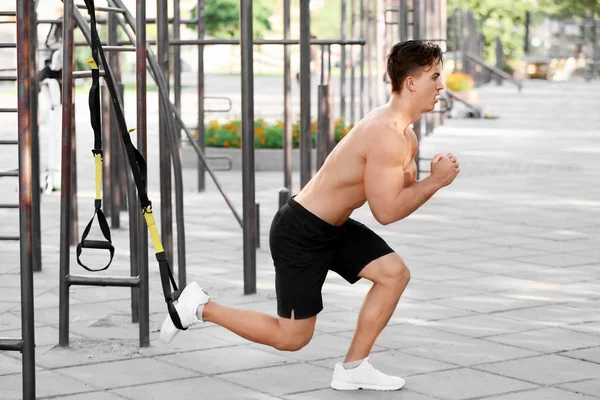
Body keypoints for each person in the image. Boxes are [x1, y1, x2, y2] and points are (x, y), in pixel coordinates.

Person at [159, 40, 459, 391]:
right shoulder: (385, 135)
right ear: (411, 82)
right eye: (435, 77)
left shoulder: (405, 136)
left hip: (333, 227)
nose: (441, 86)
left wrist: (426, 183)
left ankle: (353, 368)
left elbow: (399, 197)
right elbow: (387, 212)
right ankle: (200, 306)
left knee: (394, 273)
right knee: (292, 338)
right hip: (299, 231)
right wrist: (435, 183)